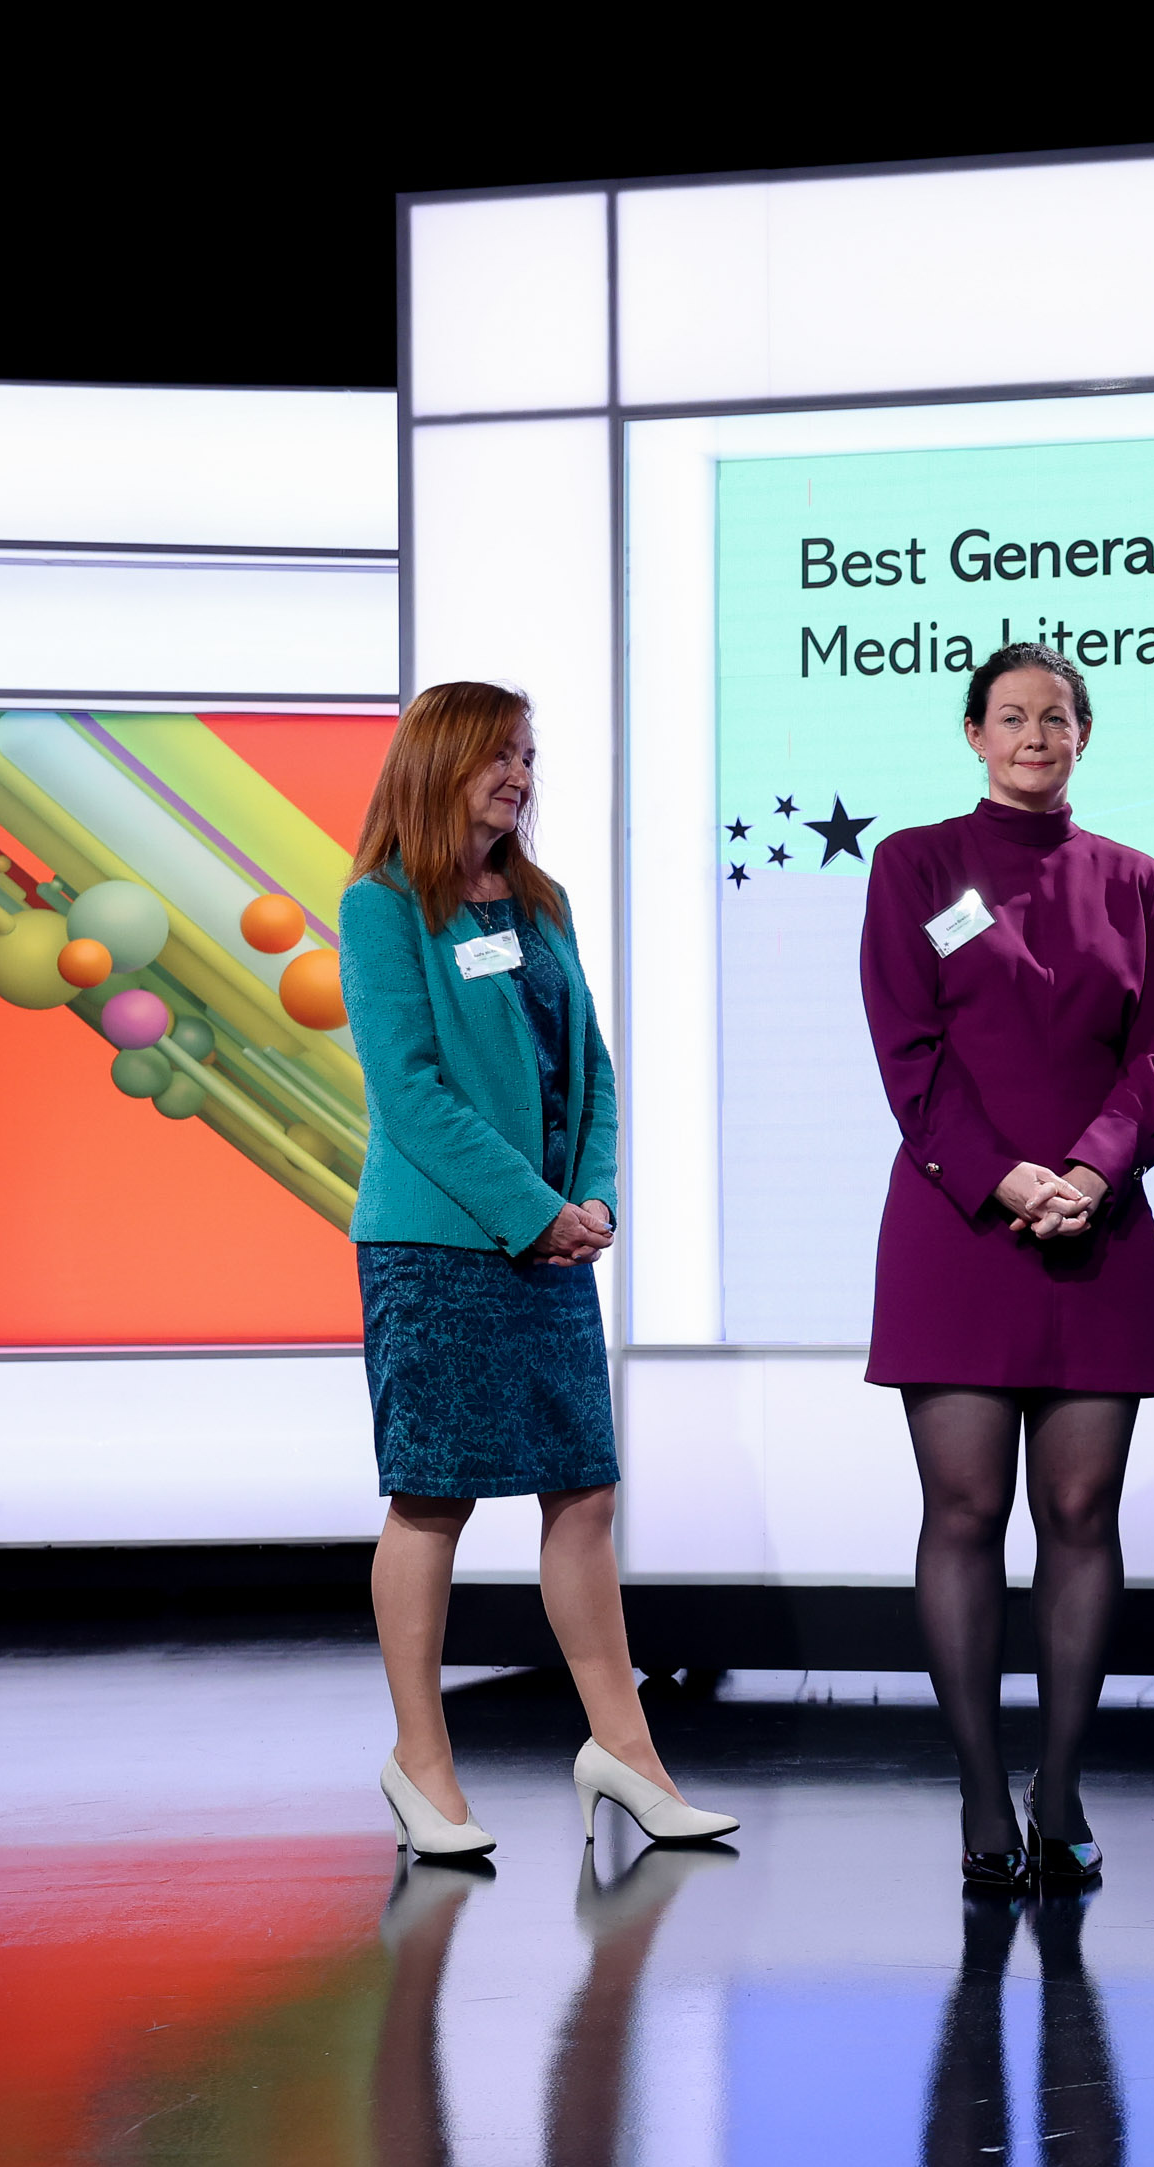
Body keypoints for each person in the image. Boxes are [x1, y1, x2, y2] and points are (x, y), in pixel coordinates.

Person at [344, 681, 735, 1860]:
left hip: (554, 1231)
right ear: (437, 763)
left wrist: (595, 1196)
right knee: (433, 1492)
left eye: (526, 754)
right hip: (440, 1243)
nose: (518, 774)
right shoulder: (381, 908)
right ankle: (422, 1763)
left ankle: (626, 1751)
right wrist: (532, 1212)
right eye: (496, 756)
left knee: (584, 1491)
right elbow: (411, 1091)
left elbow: (594, 1070)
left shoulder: (540, 900)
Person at [860, 643, 1154, 1893]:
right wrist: (1006, 1178)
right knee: (962, 1512)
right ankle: (976, 1790)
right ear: (972, 733)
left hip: (1096, 1230)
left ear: (1083, 734)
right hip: (960, 1226)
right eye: (1011, 716)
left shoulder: (1138, 882)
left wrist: (1093, 1172)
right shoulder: (912, 864)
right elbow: (908, 1051)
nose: (1035, 734)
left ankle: (1057, 1787)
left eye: (1056, 717)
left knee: (1079, 1515)